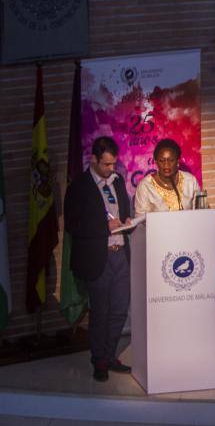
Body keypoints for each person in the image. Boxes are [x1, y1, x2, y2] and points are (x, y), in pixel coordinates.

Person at [64, 136, 133, 382]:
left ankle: (110, 354)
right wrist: (105, 227)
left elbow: (123, 212)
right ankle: (99, 361)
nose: (111, 169)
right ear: (93, 159)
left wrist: (127, 222)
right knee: (101, 312)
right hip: (98, 258)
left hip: (120, 256)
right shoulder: (79, 187)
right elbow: (73, 224)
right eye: (106, 164)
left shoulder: (117, 181)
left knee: (119, 310)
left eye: (113, 164)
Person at [134, 138, 200, 217]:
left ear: (178, 161)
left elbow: (199, 212)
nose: (166, 165)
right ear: (156, 162)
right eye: (162, 160)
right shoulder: (145, 186)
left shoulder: (190, 181)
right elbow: (140, 219)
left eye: (171, 160)